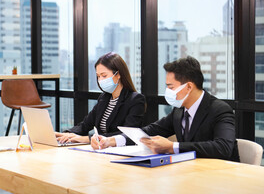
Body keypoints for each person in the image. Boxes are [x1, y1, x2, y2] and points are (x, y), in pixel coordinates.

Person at [92, 56, 240, 162]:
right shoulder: (179, 110)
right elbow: (151, 131)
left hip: (222, 175)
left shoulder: (220, 110)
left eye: (170, 87)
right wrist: (112, 140)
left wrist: (172, 147)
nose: (167, 91)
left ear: (189, 86)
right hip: (192, 173)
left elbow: (223, 147)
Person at [56, 52, 146, 144]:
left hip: (120, 152)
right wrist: (68, 134)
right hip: (100, 149)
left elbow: (127, 135)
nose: (100, 80)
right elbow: (85, 124)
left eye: (104, 75)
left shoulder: (135, 99)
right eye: (98, 76)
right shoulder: (104, 98)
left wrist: (87, 139)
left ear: (118, 74)